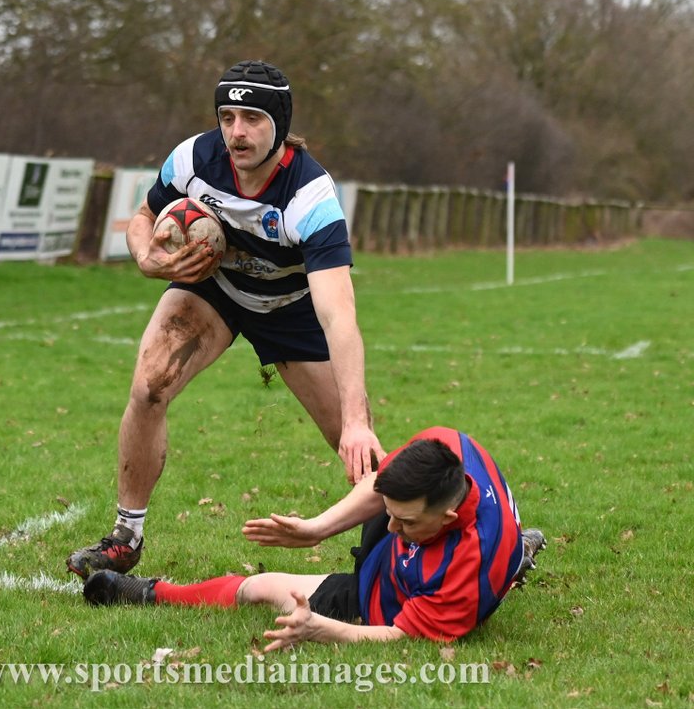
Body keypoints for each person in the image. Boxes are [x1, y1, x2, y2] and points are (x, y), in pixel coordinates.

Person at [67, 59, 384, 579]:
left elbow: (338, 314)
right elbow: (144, 217)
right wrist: (146, 257)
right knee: (149, 387)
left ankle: (408, 540)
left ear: (280, 124)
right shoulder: (193, 159)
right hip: (212, 289)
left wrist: (354, 419)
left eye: (253, 119)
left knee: (353, 440)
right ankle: (125, 537)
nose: (237, 132)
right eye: (227, 117)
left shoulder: (310, 196)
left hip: (288, 307)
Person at [82, 426, 547, 648]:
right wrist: (314, 530)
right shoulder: (447, 445)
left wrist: (322, 629)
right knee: (390, 517)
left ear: (448, 516)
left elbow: (401, 636)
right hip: (447, 552)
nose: (391, 529)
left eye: (405, 523)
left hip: (388, 600)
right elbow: (382, 484)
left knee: (261, 588)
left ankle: (149, 593)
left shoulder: (466, 565)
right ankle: (515, 554)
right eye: (392, 514)